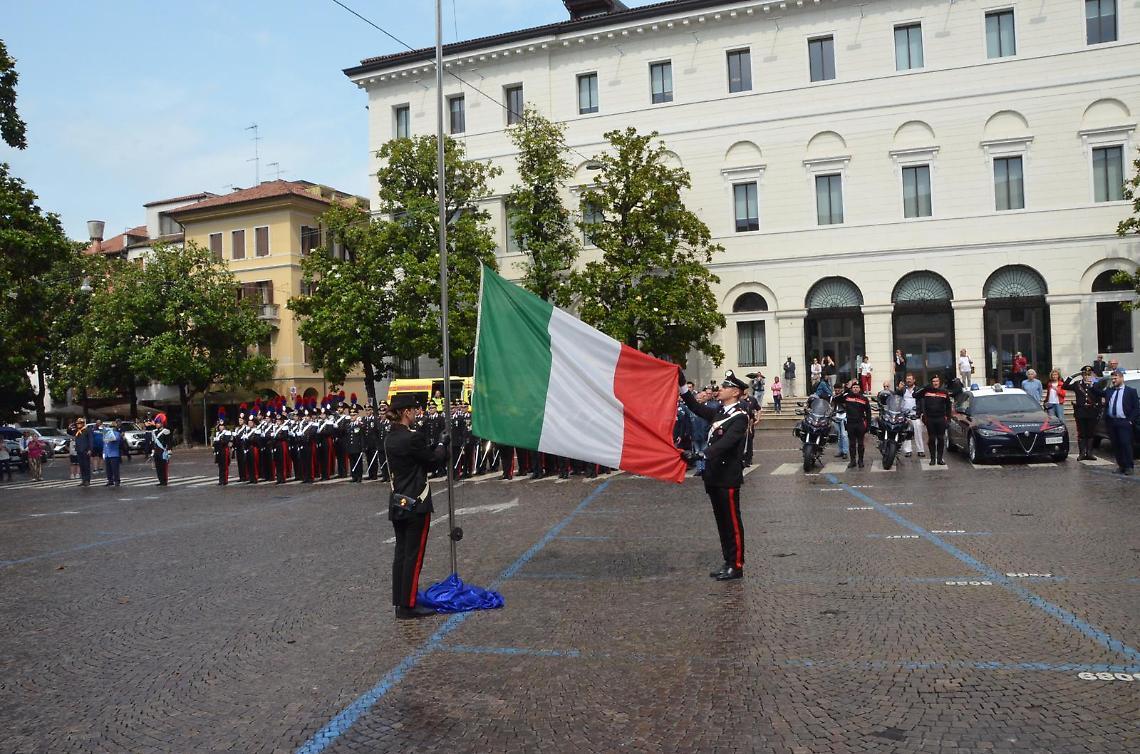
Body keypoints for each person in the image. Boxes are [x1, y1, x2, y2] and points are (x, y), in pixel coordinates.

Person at [680, 370, 749, 581]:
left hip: (727, 476)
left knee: (732, 523)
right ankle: (728, 561)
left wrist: (701, 454)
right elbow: (694, 406)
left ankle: (736, 565)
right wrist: (682, 385)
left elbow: (726, 443)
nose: (720, 389)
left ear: (736, 392)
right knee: (722, 523)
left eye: (725, 386)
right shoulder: (719, 412)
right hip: (714, 476)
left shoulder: (740, 417)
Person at [384, 392, 448, 619]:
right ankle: (409, 605)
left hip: (398, 501)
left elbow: (415, 458)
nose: (416, 413)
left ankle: (399, 601)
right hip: (416, 502)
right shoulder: (412, 437)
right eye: (413, 410)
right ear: (406, 412)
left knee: (401, 554)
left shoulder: (390, 437)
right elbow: (433, 460)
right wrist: (441, 444)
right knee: (414, 555)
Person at [1092, 368, 1138, 475]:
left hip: (1124, 422)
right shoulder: (1109, 391)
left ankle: (1129, 466)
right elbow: (1096, 391)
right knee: (1116, 445)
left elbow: (1136, 408)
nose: (1113, 380)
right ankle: (1121, 466)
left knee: (1125, 444)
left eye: (1115, 378)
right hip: (1112, 422)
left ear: (1121, 378)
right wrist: (1095, 381)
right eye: (1112, 379)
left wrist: (1130, 420)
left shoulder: (1130, 391)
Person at [1064, 366, 1103, 461]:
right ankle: (1082, 453)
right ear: (1082, 375)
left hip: (1092, 412)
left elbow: (1101, 394)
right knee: (1081, 433)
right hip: (1080, 412)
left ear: (1092, 375)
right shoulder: (1077, 384)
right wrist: (1073, 376)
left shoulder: (1096, 384)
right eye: (1085, 374)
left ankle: (1089, 453)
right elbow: (1064, 386)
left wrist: (1093, 384)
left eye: (1089, 374)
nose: (1087, 376)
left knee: (1090, 433)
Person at [915, 375, 953, 465]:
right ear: (931, 383)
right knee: (932, 439)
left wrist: (948, 419)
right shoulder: (927, 391)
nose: (935, 383)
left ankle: (939, 459)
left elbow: (948, 406)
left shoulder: (944, 392)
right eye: (933, 381)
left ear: (939, 382)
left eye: (937, 381)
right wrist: (924, 388)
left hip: (941, 418)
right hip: (930, 419)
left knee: (940, 439)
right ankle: (932, 459)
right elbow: (915, 395)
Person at [835, 380, 871, 468]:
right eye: (853, 387)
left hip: (860, 424)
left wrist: (868, 426)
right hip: (850, 423)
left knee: (860, 444)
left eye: (857, 387)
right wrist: (846, 389)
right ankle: (853, 461)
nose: (855, 389)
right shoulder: (847, 397)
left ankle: (861, 461)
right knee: (852, 444)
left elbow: (868, 413)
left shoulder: (864, 399)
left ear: (859, 389)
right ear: (851, 389)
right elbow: (837, 399)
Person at [896, 374, 925, 458]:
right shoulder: (903, 390)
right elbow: (896, 396)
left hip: (915, 415)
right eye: (907, 379)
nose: (908, 381)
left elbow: (922, 402)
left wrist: (921, 413)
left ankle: (920, 450)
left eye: (910, 379)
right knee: (906, 432)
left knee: (918, 431)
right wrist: (899, 389)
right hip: (905, 415)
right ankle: (908, 450)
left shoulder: (918, 390)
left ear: (914, 380)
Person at [147, 413, 172, 486]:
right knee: (158, 467)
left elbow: (169, 442)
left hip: (163, 451)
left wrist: (169, 451)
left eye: (158, 423)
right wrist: (152, 451)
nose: (157, 424)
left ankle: (164, 481)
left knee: (163, 467)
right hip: (156, 452)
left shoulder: (166, 431)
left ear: (162, 423)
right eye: (156, 423)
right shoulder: (154, 432)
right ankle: (160, 481)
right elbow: (153, 442)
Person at [213, 413, 233, 485]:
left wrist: (218, 442)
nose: (221, 427)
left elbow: (224, 442)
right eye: (220, 426)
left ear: (224, 426)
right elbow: (215, 443)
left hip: (224, 450)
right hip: (219, 450)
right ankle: (220, 480)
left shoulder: (227, 432)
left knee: (225, 466)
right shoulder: (217, 433)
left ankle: (225, 480)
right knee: (220, 466)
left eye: (222, 426)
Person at [102, 420, 123, 487]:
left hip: (114, 453)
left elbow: (116, 439)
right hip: (107, 454)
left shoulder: (116, 433)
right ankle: (110, 480)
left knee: (115, 469)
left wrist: (110, 434)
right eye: (110, 426)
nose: (111, 428)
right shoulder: (106, 433)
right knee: (108, 469)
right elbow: (104, 444)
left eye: (112, 427)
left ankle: (117, 480)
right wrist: (104, 452)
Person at [74, 418, 92, 486]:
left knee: (86, 465)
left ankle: (87, 480)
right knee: (81, 466)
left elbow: (90, 440)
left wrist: (90, 449)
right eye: (77, 423)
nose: (78, 424)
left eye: (79, 423)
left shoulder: (87, 430)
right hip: (79, 450)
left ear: (83, 423)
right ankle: (83, 480)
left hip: (85, 450)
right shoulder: (77, 431)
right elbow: (69, 432)